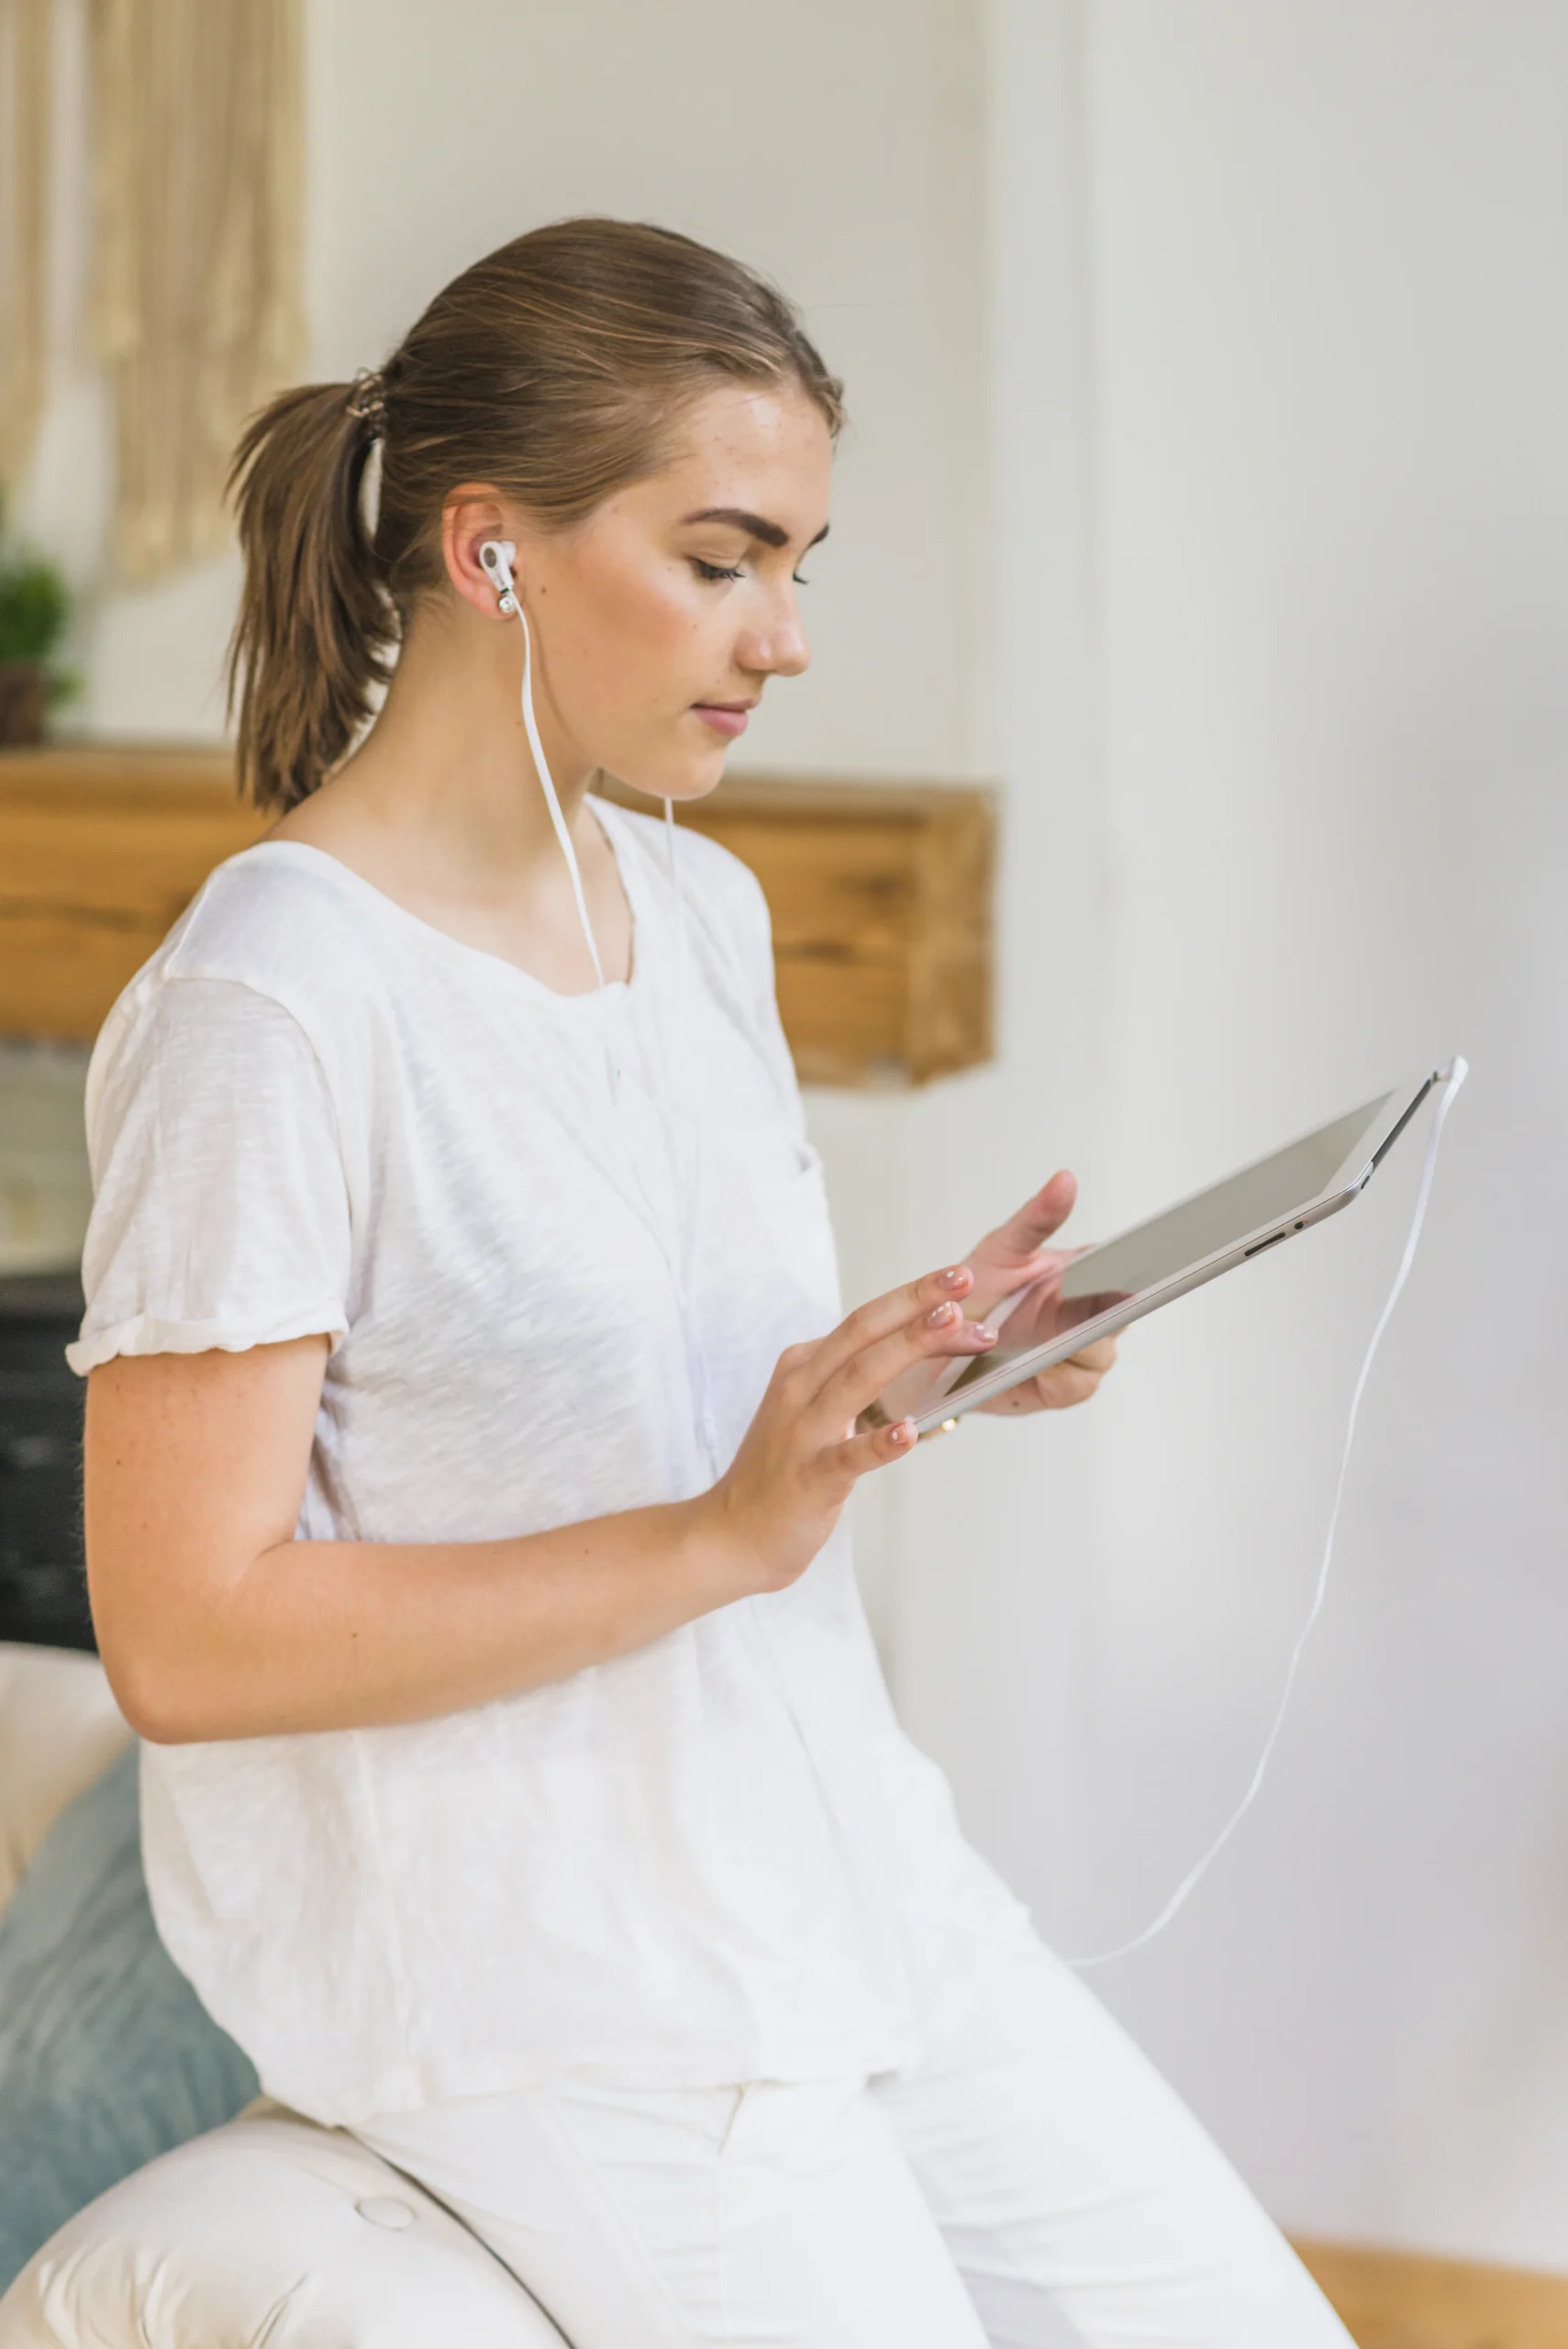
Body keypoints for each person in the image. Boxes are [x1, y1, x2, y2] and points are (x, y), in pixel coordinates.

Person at [75, 219, 1351, 2347]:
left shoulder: (697, 908)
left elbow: (606, 1397)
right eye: (723, 556)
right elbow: (184, 1636)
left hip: (842, 1870)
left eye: (802, 563)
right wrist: (717, 1528)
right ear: (488, 552)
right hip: (556, 1980)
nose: (784, 634)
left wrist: (902, 1375)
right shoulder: (273, 999)